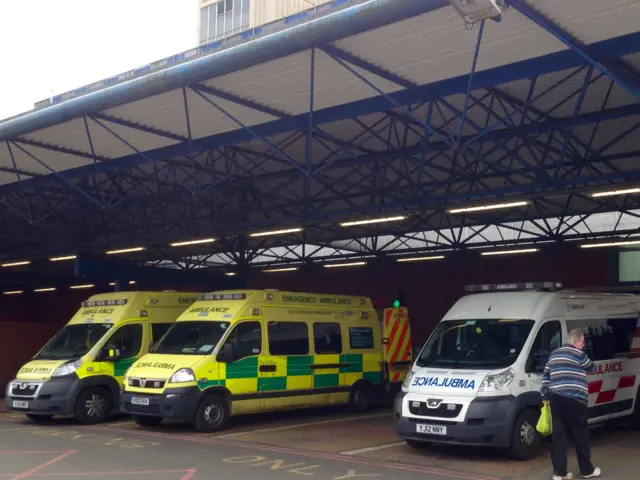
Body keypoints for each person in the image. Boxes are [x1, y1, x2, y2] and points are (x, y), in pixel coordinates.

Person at [540, 329, 601, 480]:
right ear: (575, 342)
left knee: (559, 437)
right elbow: (592, 368)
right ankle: (587, 471)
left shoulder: (554, 354)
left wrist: (544, 395)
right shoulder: (579, 354)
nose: (583, 346)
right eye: (582, 342)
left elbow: (546, 375)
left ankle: (559, 473)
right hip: (575, 400)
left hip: (556, 399)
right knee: (580, 436)